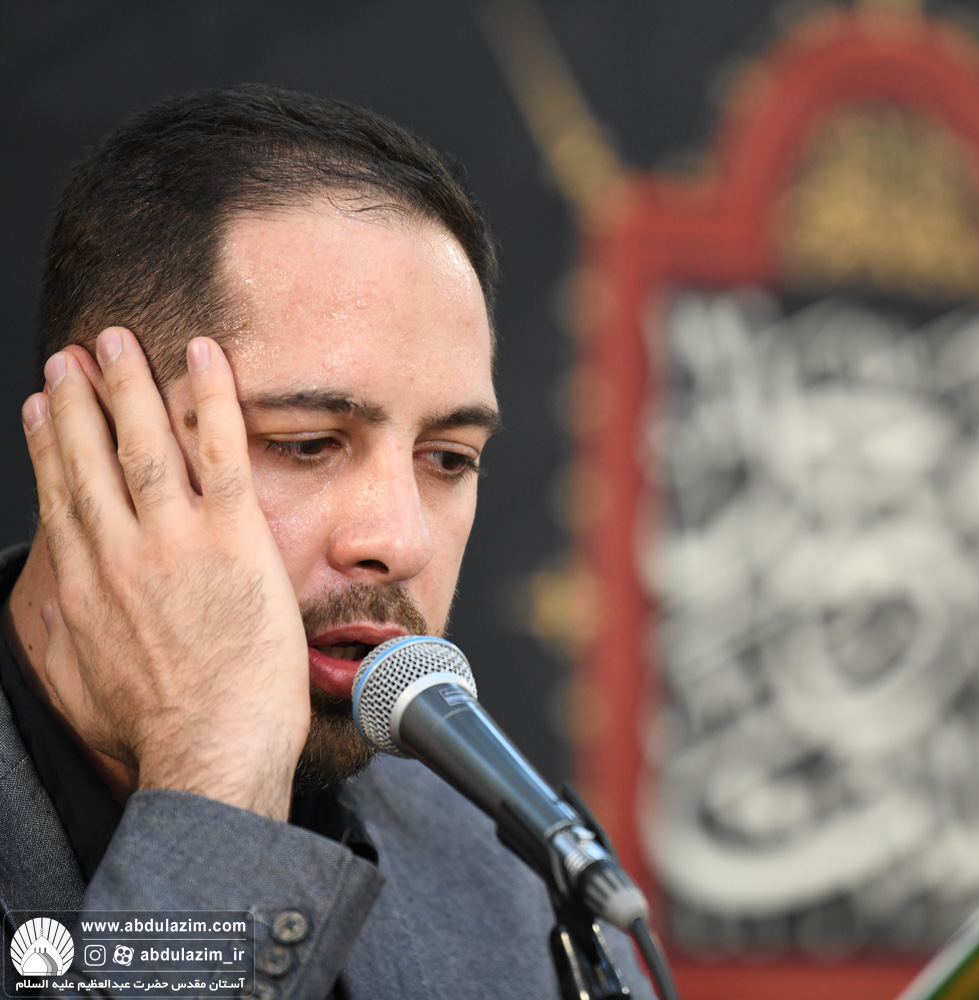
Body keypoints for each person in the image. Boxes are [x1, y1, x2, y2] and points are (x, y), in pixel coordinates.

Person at [0, 84, 651, 999]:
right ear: (94, 435)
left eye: (449, 458)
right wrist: (218, 776)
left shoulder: (518, 889)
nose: (401, 541)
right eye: (306, 443)